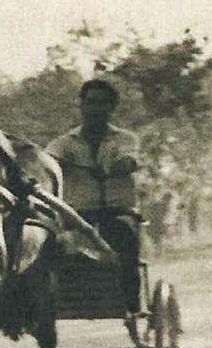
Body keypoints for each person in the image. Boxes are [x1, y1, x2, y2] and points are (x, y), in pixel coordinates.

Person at [45, 79, 143, 310]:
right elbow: (47, 159)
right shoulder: (65, 143)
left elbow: (128, 160)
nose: (94, 109)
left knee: (124, 233)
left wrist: (116, 167)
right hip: (78, 214)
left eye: (101, 104)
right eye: (89, 103)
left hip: (119, 212)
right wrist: (54, 163)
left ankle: (129, 302)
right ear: (81, 106)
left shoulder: (125, 139)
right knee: (50, 241)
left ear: (111, 107)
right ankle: (51, 299)